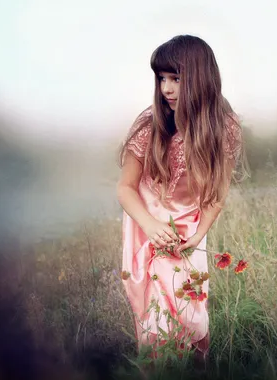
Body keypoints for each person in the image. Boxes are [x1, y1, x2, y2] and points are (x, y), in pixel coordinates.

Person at [116, 35, 245, 366]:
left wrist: (199, 236)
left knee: (193, 315)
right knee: (156, 326)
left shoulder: (223, 127)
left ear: (200, 78)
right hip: (148, 228)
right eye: (162, 79)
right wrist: (151, 224)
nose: (166, 89)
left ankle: (200, 371)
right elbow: (126, 188)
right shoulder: (151, 124)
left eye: (176, 78)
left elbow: (217, 195)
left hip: (188, 229)